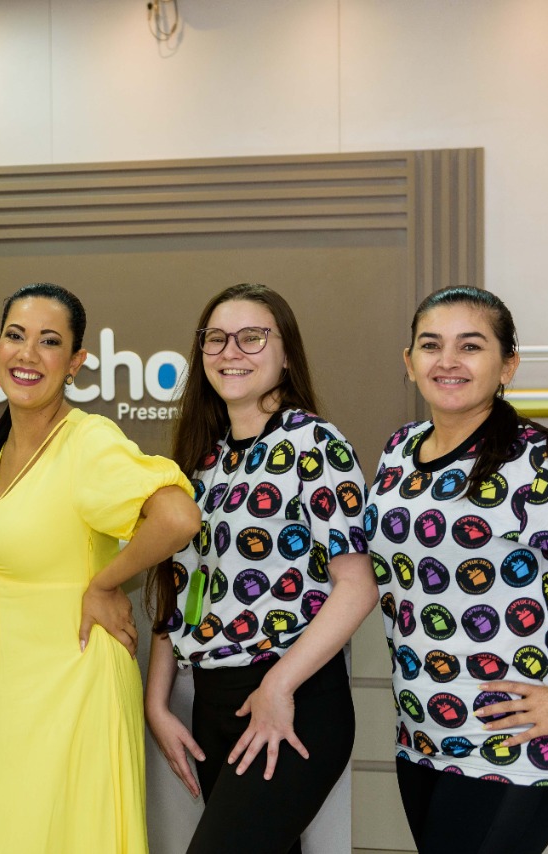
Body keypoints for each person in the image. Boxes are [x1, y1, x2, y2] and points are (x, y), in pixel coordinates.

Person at [0, 283, 201, 853]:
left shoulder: (86, 441)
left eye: (49, 341)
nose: (28, 354)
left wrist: (103, 583)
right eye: (16, 336)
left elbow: (177, 517)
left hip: (76, 689)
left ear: (75, 362)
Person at [366, 286, 548, 854]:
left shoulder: (542, 465)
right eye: (431, 345)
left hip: (513, 748)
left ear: (508, 366)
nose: (447, 361)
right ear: (409, 362)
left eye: (470, 346)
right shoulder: (400, 450)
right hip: (421, 740)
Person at [146, 283, 378, 854]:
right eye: (216, 339)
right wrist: (156, 702)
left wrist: (278, 684)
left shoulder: (314, 443)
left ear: (287, 353)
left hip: (294, 697)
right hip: (212, 703)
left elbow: (358, 586)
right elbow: (181, 589)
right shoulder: (202, 459)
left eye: (252, 337)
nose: (231, 352)